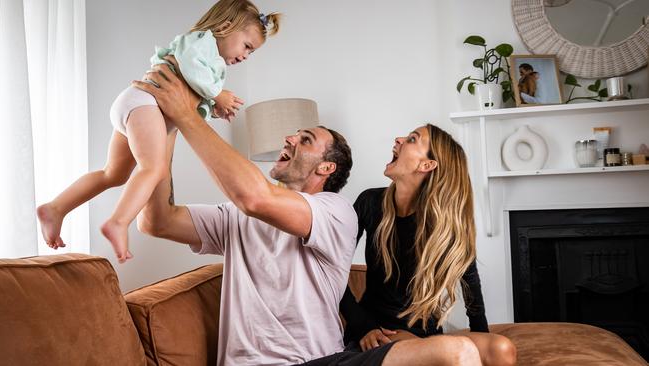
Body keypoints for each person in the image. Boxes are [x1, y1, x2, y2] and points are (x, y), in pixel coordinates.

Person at [134, 63, 492, 365]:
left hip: (321, 360)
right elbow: (156, 220)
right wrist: (165, 128)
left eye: (305, 139)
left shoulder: (335, 212)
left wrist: (185, 114)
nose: (289, 138)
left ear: (325, 168)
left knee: (459, 350)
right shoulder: (235, 216)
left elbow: (254, 197)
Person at [36, 0, 280, 263]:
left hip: (138, 107)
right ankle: (118, 222)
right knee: (153, 169)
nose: (244, 56)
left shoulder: (211, 60)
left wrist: (214, 106)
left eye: (250, 54)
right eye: (246, 47)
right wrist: (217, 94)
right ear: (227, 25)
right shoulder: (201, 42)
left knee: (113, 174)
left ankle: (56, 208)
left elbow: (191, 89)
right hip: (144, 105)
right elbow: (191, 69)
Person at [340, 124, 517, 366]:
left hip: (429, 335)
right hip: (382, 332)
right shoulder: (370, 202)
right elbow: (334, 271)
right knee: (425, 345)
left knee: (501, 348)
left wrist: (480, 338)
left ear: (426, 165)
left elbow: (471, 287)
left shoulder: (444, 224)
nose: (399, 138)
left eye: (412, 139)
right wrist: (362, 326)